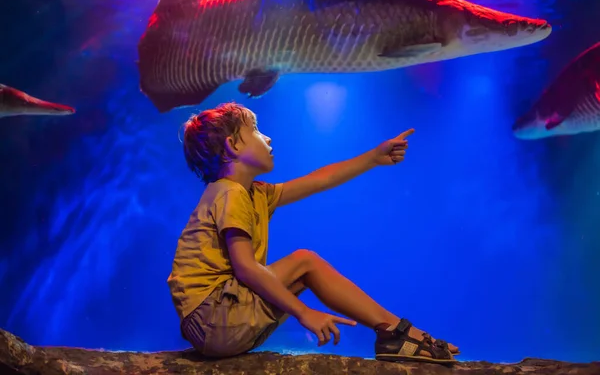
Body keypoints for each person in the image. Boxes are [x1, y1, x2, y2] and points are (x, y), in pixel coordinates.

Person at [167, 102, 459, 364]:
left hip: (215, 324)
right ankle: (395, 332)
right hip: (213, 319)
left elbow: (318, 180)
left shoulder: (251, 193)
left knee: (303, 267)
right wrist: (304, 312)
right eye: (255, 129)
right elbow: (245, 268)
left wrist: (372, 157)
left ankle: (393, 331)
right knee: (304, 261)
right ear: (233, 146)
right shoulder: (229, 193)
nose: (267, 137)